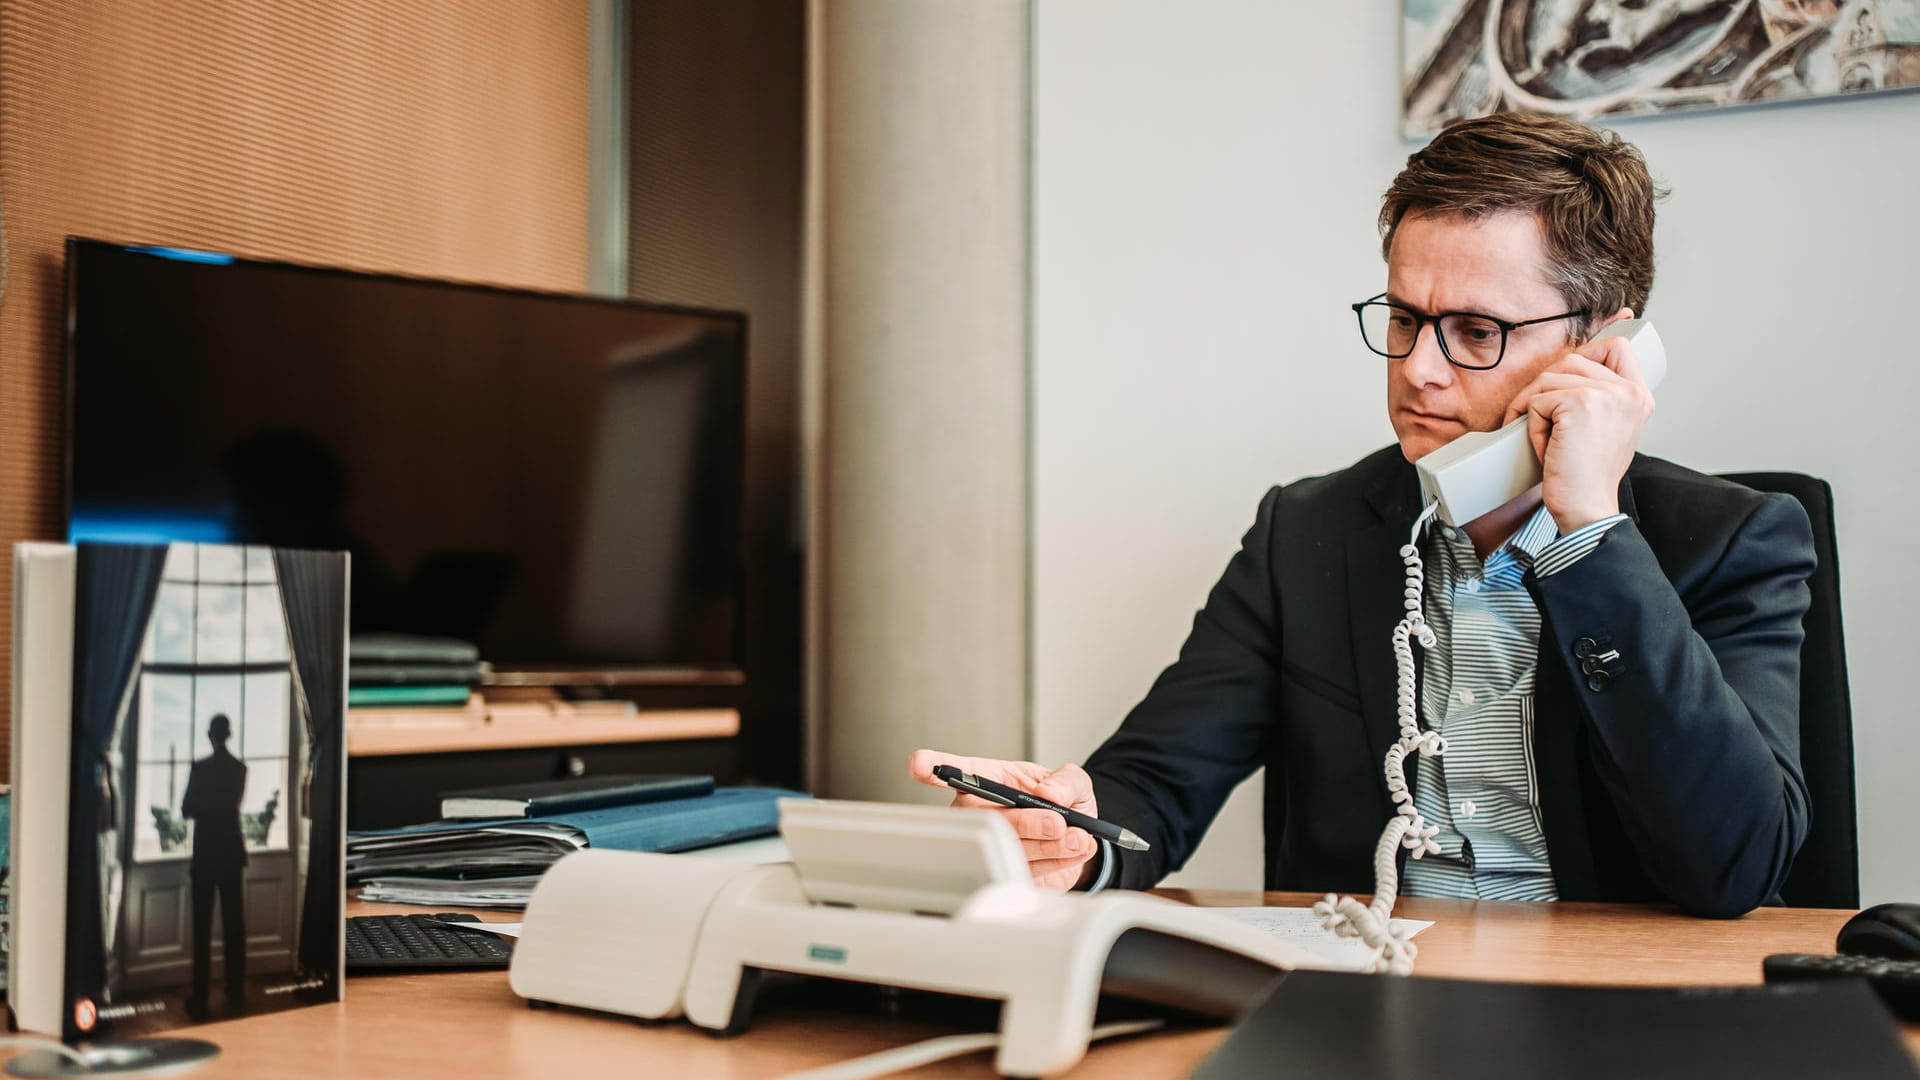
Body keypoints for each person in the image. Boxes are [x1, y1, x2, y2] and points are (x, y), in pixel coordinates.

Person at [910, 112, 1814, 918]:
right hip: (1362, 1006)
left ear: (1604, 350)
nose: (1420, 369)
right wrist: (1066, 831)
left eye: (1475, 332)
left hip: (1620, 1024)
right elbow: (1154, 782)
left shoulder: (1735, 539)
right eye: (1404, 317)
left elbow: (1732, 868)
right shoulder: (1304, 533)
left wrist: (1588, 535)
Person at [182, 712, 249, 1018]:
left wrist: (203, 804)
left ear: (211, 734)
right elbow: (229, 806)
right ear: (229, 734)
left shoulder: (200, 768)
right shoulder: (239, 769)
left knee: (202, 928)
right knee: (234, 925)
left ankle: (200, 996)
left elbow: (186, 809)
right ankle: (236, 992)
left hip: (206, 853)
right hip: (231, 852)